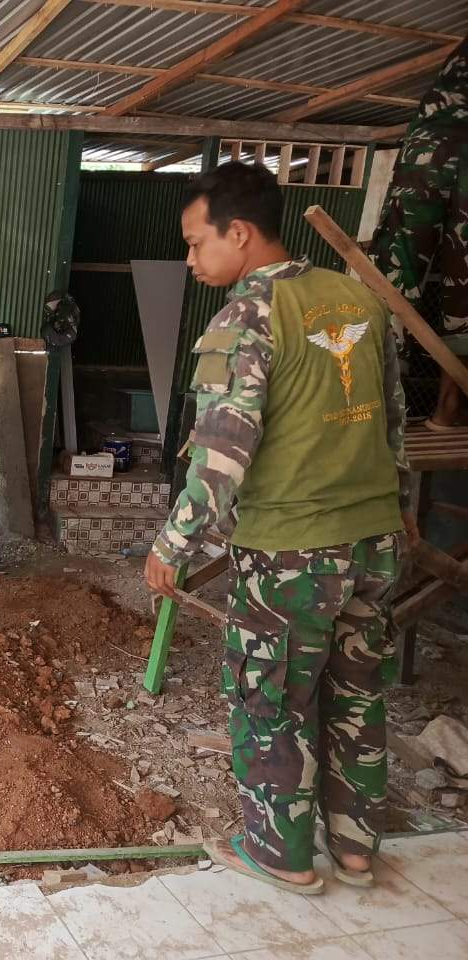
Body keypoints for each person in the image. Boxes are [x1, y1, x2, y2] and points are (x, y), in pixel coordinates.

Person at [144, 161, 418, 895]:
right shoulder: (356, 299)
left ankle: (280, 854)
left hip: (291, 550)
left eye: (198, 243)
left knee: (272, 699)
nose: (193, 259)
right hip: (374, 539)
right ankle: (356, 850)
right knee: (358, 695)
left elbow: (222, 451)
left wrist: (173, 545)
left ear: (239, 233)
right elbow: (395, 426)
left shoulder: (248, 316)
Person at [371, 39, 467, 429]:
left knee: (398, 275)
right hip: (432, 144)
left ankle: (391, 411)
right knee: (403, 274)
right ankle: (437, 408)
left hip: (431, 146)